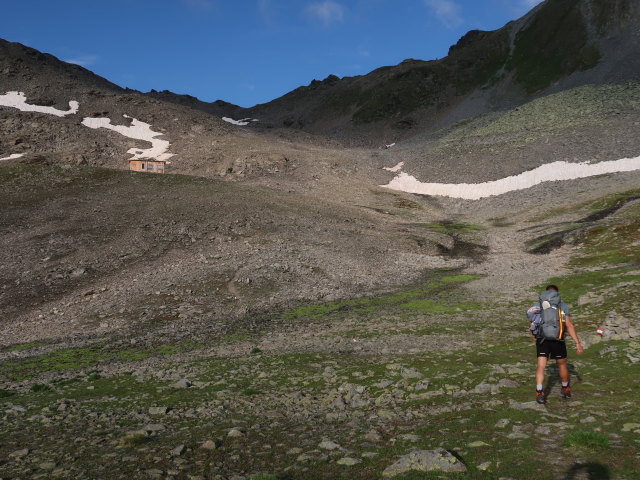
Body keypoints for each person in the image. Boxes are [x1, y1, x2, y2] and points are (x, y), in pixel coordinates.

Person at [526, 285, 583, 404]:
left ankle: (539, 391)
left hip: (542, 339)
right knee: (562, 364)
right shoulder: (562, 304)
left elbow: (532, 321)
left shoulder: (538, 303)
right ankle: (565, 388)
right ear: (557, 293)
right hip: (558, 339)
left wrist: (534, 334)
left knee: (541, 366)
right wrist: (577, 343)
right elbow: (569, 325)